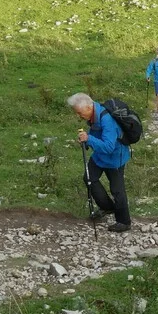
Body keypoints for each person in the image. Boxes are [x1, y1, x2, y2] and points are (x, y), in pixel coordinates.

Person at [68, 93, 131, 232]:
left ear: (89, 107)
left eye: (79, 112)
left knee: (117, 190)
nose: (78, 116)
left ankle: (124, 222)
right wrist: (87, 140)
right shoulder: (93, 114)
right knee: (89, 178)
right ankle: (107, 207)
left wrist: (89, 139)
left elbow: (109, 147)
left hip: (115, 158)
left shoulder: (107, 120)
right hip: (99, 156)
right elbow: (96, 134)